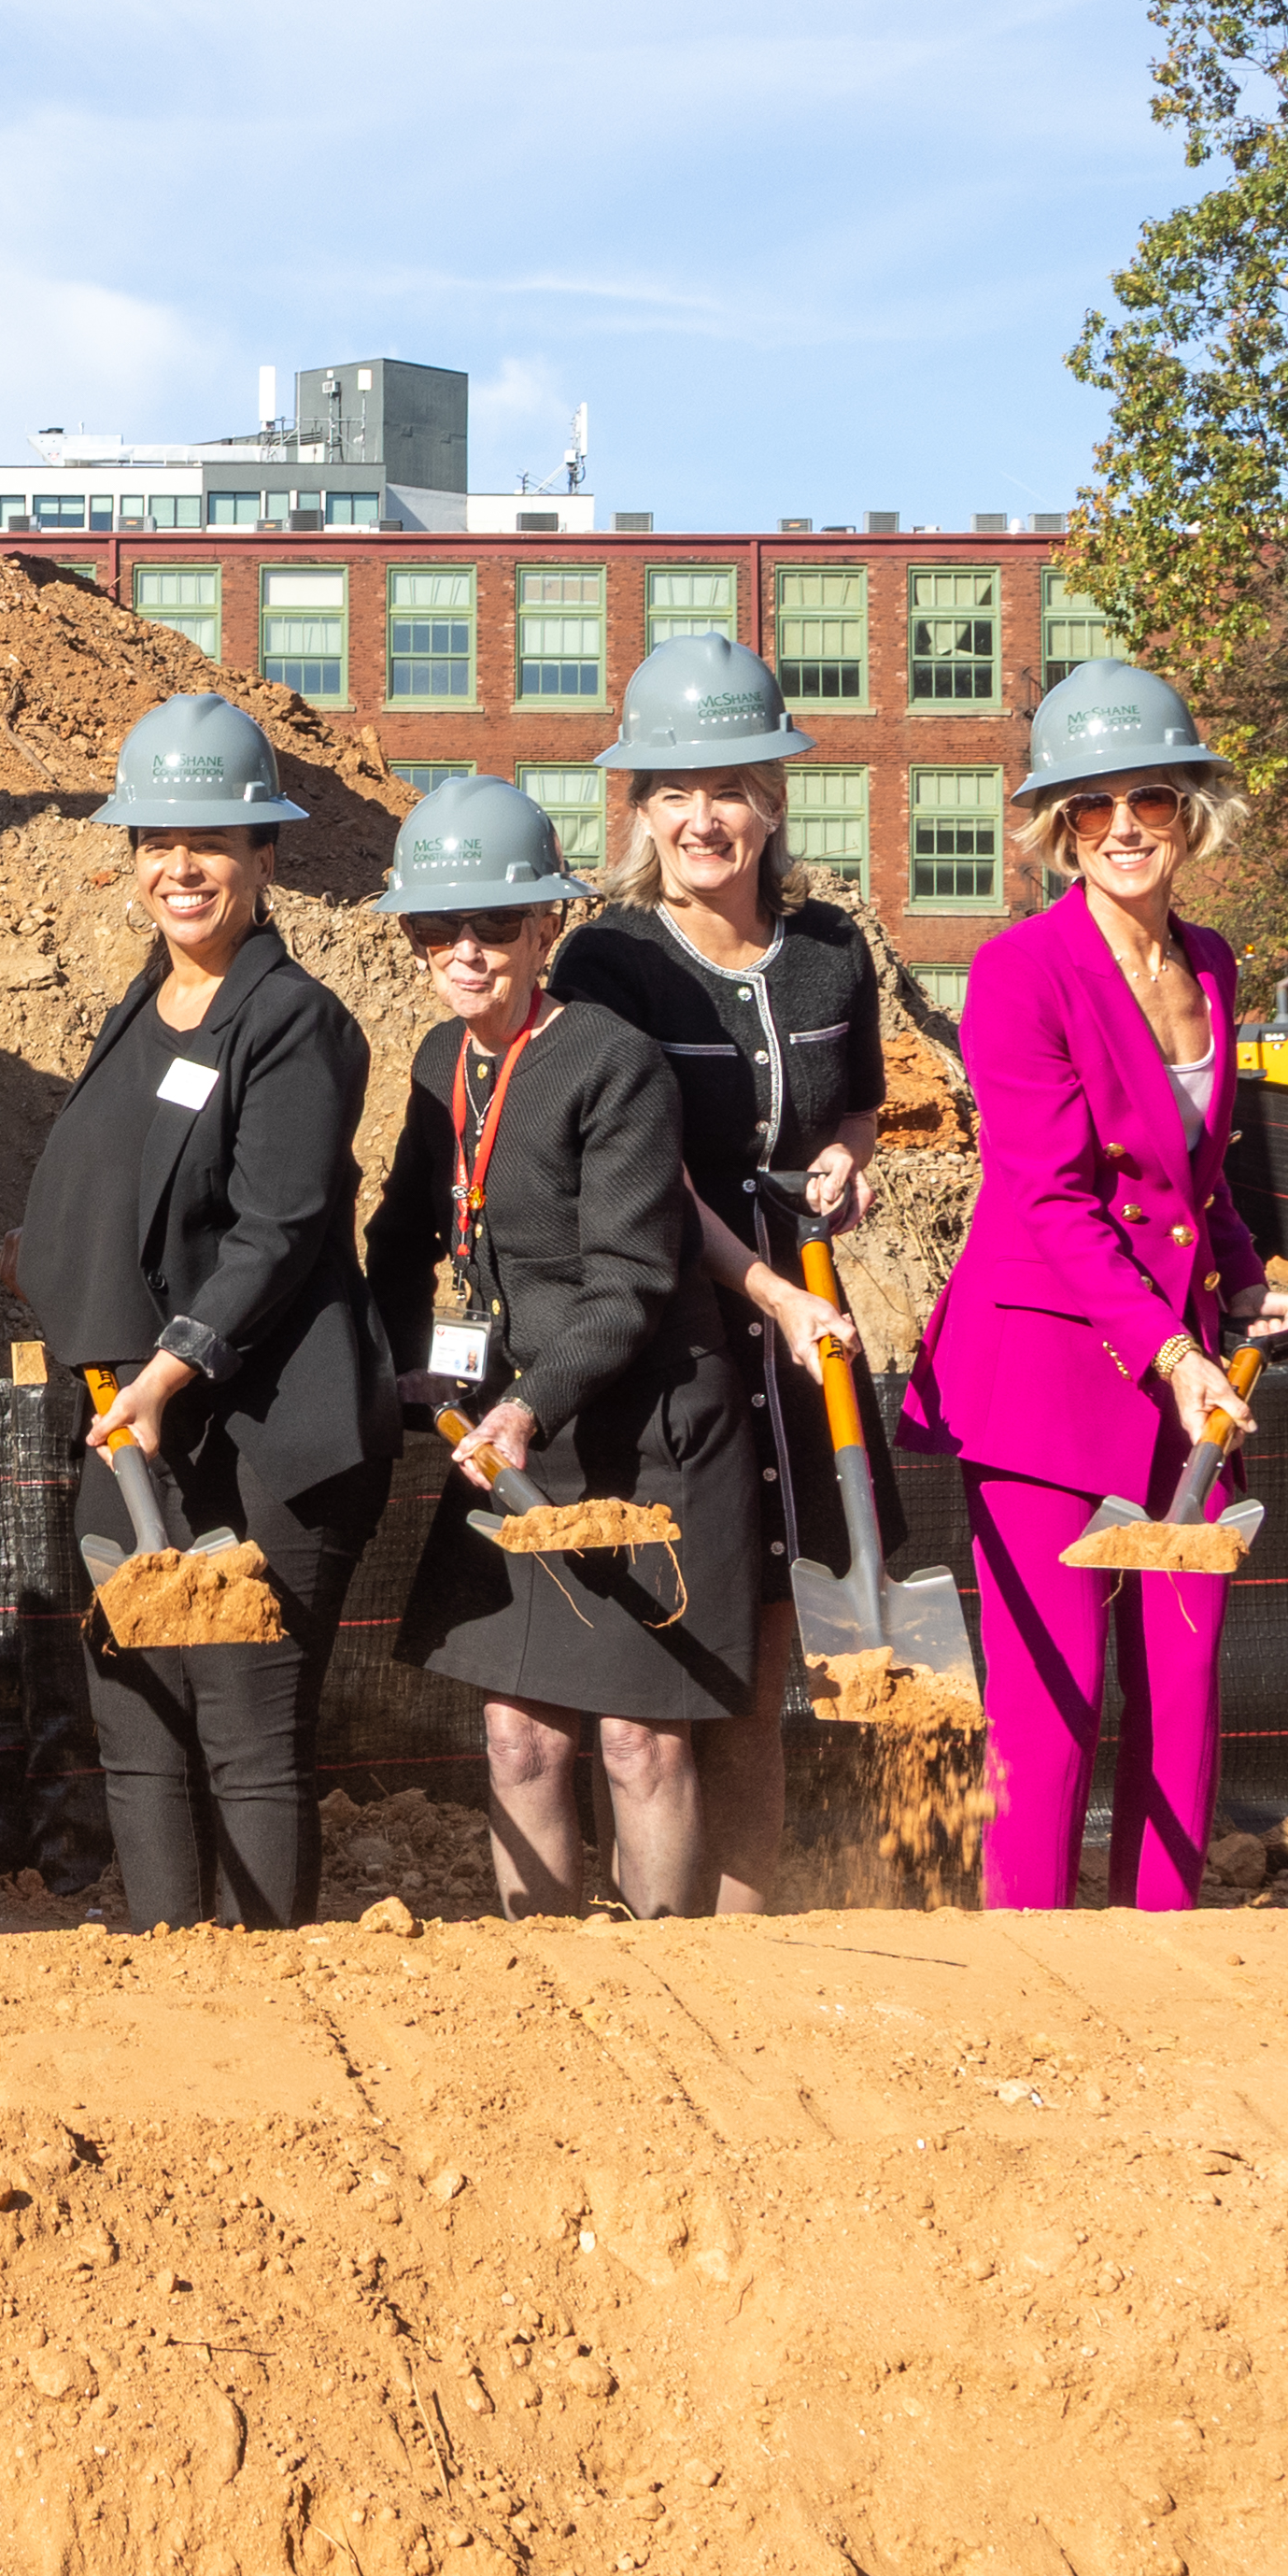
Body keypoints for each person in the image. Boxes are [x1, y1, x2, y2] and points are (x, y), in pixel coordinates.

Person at [371, 776, 776, 1912]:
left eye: (494, 923)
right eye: (434, 926)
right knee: (516, 1739)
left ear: (547, 925)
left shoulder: (610, 1061)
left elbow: (636, 1279)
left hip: (641, 1438)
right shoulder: (437, 1065)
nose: (464, 949)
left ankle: (664, 1986)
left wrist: (520, 1404)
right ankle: (544, 1980)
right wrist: (395, 1361)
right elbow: (402, 1237)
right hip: (522, 1429)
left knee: (639, 1744)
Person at [8, 692, 378, 1929]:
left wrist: (172, 1370)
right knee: (141, 1719)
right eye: (156, 839)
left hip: (253, 1433)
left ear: (265, 857)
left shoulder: (292, 1021)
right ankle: (174, 1982)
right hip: (130, 1429)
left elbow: (277, 1226)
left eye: (210, 840)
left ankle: (270, 1992)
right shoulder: (142, 1005)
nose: (180, 865)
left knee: (244, 1726)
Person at [920, 661, 1273, 1909]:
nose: (1123, 826)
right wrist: (1172, 1350)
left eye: (1151, 798)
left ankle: (1163, 1957)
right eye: (1090, 804)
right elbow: (1051, 1194)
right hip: (1048, 1374)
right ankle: (1033, 1963)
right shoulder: (1023, 971)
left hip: (1180, 1376)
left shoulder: (1217, 965)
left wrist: (1242, 1284)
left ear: (1191, 813)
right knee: (1053, 1706)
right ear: (1057, 827)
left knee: (1181, 1701)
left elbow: (1202, 1175)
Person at [554, 624, 899, 1892]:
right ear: (642, 806)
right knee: (669, 1675)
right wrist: (759, 1287)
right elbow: (644, 1177)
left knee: (761, 1666)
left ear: (773, 798)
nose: (707, 816)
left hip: (804, 1338)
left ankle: (759, 1956)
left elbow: (857, 1100)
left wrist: (850, 1158)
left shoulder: (827, 949)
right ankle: (669, 1951)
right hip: (673, 1339)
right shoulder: (612, 959)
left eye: (734, 786)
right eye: (678, 790)